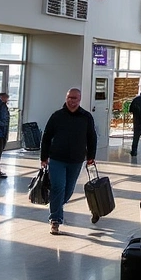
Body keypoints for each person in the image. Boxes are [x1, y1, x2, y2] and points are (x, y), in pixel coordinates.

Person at [40, 88, 97, 235]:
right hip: (57, 159)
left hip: (76, 160)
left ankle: (56, 206)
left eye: (75, 98)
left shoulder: (86, 117)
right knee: (58, 186)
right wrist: (43, 157)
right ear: (66, 98)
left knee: (68, 190)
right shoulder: (57, 116)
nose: (72, 101)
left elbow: (92, 138)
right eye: (70, 98)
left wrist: (91, 156)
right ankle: (55, 220)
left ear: (80, 99)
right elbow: (46, 137)